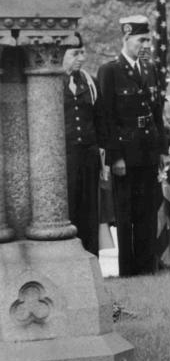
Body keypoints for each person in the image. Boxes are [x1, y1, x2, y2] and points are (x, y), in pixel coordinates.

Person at [97, 15, 169, 276]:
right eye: (141, 40)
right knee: (126, 217)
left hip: (148, 153)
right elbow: (106, 118)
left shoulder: (148, 69)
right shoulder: (110, 71)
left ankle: (147, 268)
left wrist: (163, 152)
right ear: (126, 38)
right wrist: (115, 157)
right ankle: (128, 270)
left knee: (147, 213)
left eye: (148, 40)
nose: (146, 45)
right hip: (125, 156)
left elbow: (156, 113)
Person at [63, 33, 104, 256]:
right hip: (66, 156)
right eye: (75, 53)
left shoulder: (89, 81)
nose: (81, 58)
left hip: (89, 156)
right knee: (68, 207)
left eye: (82, 52)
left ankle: (91, 256)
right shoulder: (50, 81)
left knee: (89, 210)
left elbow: (100, 119)